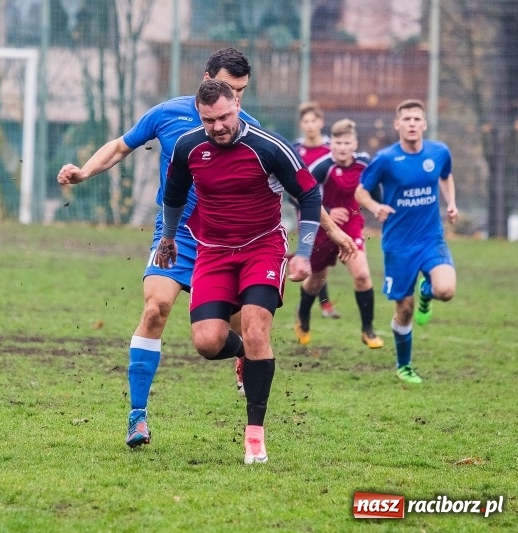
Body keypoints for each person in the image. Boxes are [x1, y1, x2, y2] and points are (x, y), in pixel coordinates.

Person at [57, 48, 261, 447]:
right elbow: (120, 146)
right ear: (206, 79)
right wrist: (83, 172)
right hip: (176, 235)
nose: (235, 101)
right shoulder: (167, 113)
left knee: (230, 330)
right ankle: (137, 418)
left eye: (241, 93)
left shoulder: (247, 128)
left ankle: (241, 355)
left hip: (225, 241)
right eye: (229, 89)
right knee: (155, 309)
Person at [157, 79, 355, 464]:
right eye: (209, 120)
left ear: (237, 105)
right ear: (200, 116)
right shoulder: (188, 147)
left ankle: (254, 437)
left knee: (255, 326)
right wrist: (168, 237)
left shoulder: (269, 146)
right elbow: (175, 195)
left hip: (262, 248)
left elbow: (309, 193)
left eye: (225, 117)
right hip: (213, 252)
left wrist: (305, 252)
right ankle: (244, 355)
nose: (218, 127)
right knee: (207, 341)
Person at [355, 99, 458, 384]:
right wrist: (375, 207)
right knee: (404, 309)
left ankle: (429, 290)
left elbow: (446, 177)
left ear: (424, 124)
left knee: (446, 289)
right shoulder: (386, 159)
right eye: (407, 119)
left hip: (430, 238)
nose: (412, 124)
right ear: (397, 124)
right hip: (398, 246)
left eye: (417, 119)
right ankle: (404, 366)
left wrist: (451, 203)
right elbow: (361, 192)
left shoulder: (439, 152)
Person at [294, 119, 383, 349]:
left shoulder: (364, 164)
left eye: (347, 142)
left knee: (362, 275)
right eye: (338, 142)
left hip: (352, 226)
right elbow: (300, 195)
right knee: (315, 279)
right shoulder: (323, 167)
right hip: (324, 229)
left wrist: (381, 207)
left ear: (355, 144)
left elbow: (377, 189)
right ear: (331, 144)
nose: (342, 147)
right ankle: (303, 317)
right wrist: (330, 212)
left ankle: (368, 329)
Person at [291, 101, 339, 319]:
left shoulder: (332, 149)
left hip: (334, 212)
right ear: (302, 124)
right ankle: (324, 305)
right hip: (308, 213)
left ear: (321, 122)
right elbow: (289, 182)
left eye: (313, 121)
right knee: (316, 257)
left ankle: (320, 303)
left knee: (322, 259)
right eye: (306, 121)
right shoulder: (295, 149)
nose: (310, 125)